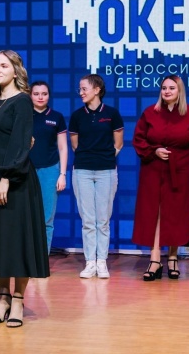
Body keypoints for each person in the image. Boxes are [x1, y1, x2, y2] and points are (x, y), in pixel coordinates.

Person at [0, 50, 49, 328]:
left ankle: (18, 299)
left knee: (17, 240)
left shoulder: (22, 101)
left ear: (16, 70)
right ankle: (2, 298)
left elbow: (20, 142)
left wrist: (6, 178)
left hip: (15, 177)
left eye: (3, 65)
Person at [132, 75, 189, 281]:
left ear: (179, 90)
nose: (167, 91)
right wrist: (154, 151)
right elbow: (139, 139)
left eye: (171, 88)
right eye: (164, 88)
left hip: (179, 170)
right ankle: (155, 259)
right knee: (154, 213)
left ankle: (172, 257)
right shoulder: (150, 113)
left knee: (175, 213)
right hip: (153, 169)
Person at [69, 74, 123, 278]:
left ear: (97, 89)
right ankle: (90, 262)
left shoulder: (112, 114)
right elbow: (75, 144)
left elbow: (118, 144)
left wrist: (103, 158)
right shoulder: (77, 116)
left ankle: (102, 262)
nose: (81, 92)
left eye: (84, 88)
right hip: (82, 170)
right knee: (88, 220)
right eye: (80, 89)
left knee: (103, 219)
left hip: (106, 171)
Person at [30, 81, 68, 255]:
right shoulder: (24, 115)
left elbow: (63, 147)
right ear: (30, 95)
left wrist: (62, 174)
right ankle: (27, 258)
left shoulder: (57, 117)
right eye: (36, 93)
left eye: (44, 94)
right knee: (27, 217)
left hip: (50, 170)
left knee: (46, 218)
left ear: (49, 96)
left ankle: (42, 259)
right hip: (26, 171)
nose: (40, 97)